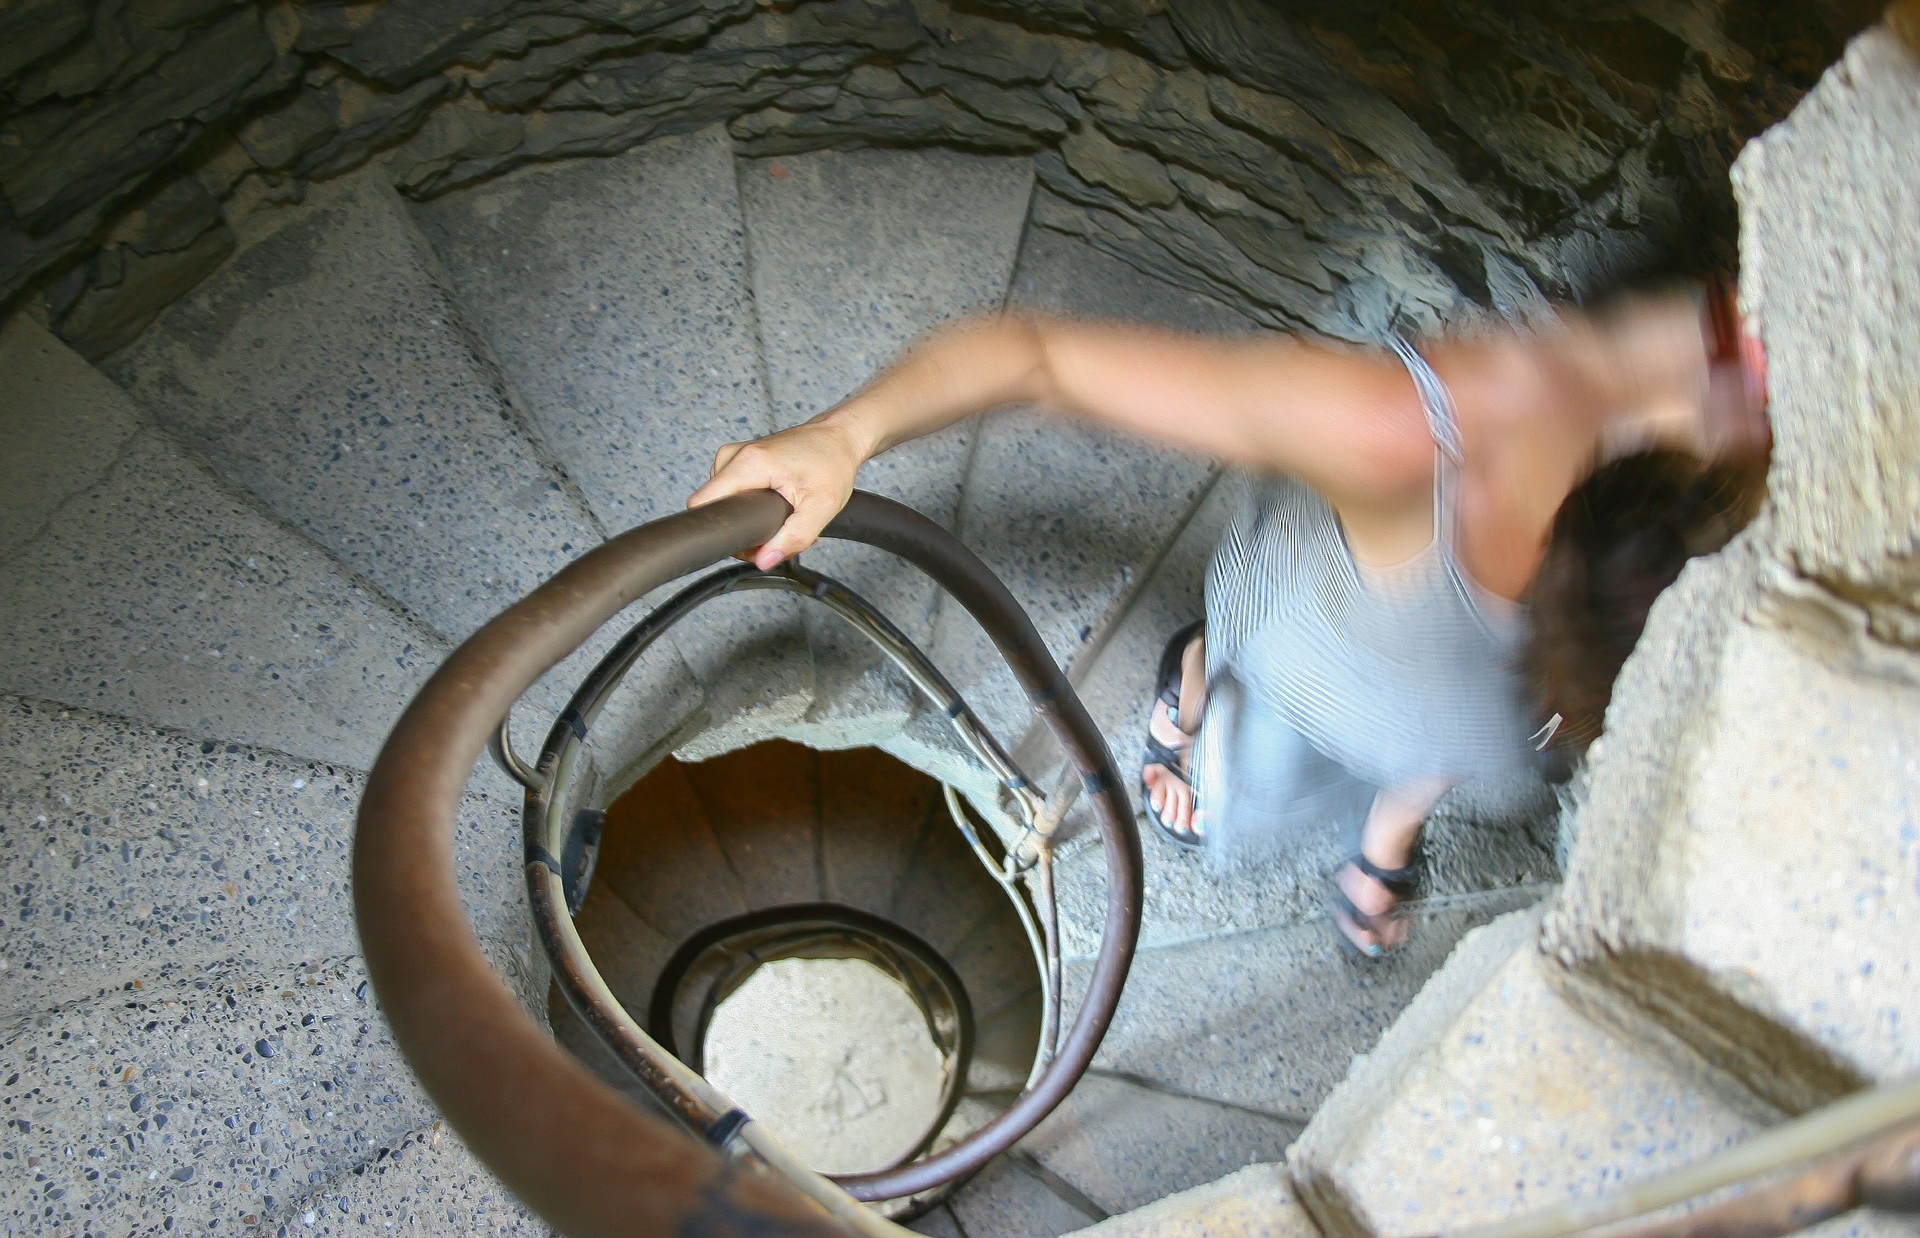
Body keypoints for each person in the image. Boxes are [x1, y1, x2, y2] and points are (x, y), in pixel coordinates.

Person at [687, 282, 1768, 957]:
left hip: (1442, 717)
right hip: (1309, 636)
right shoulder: (1410, 435)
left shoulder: (1738, 414)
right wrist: (844, 434)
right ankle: (1191, 688)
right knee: (1250, 703)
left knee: (1438, 747)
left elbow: (1520, 714)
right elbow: (1037, 355)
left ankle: (1373, 825)